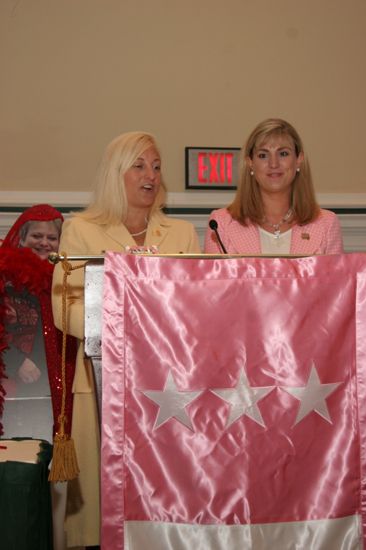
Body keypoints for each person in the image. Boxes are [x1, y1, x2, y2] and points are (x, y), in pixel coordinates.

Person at [51, 130, 201, 548]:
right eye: (139, 166)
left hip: (169, 385)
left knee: (166, 492)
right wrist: (127, 332)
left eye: (155, 166)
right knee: (106, 505)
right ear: (115, 174)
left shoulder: (182, 234)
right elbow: (67, 304)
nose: (150, 175)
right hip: (103, 379)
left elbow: (198, 304)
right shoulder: (81, 230)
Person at [0, 204, 77, 550]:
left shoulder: (67, 277)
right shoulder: (4, 274)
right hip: (14, 401)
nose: (45, 243)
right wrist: (16, 361)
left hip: (54, 398)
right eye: (37, 236)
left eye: (52, 237)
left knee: (48, 481)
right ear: (21, 237)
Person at [204, 118, 344, 255]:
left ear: (299, 160)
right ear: (250, 162)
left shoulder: (327, 223)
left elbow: (337, 279)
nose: (273, 164)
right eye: (263, 155)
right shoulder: (220, 223)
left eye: (283, 154)